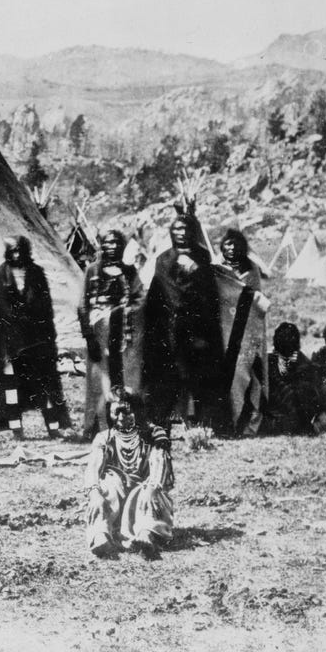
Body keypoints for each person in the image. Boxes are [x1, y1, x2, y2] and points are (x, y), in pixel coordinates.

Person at [0, 236, 72, 439]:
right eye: (13, 251)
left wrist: (47, 336)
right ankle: (16, 430)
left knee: (44, 384)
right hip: (10, 343)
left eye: (21, 251)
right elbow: (1, 310)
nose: (17, 255)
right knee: (11, 385)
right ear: (8, 252)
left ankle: (53, 429)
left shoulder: (36, 273)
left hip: (35, 341)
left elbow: (45, 307)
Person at [141, 209, 226, 432]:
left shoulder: (203, 256)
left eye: (185, 228)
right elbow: (158, 293)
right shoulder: (163, 258)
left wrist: (195, 271)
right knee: (169, 374)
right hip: (169, 327)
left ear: (192, 231)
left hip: (197, 327)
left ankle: (197, 421)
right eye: (176, 228)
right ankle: (163, 419)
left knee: (197, 375)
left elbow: (209, 293)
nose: (181, 232)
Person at [83, 392, 175, 559]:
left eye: (125, 411)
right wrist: (94, 493)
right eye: (115, 412)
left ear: (137, 411)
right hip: (116, 501)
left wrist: (152, 489)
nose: (120, 417)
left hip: (147, 494)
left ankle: (146, 534)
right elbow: (93, 467)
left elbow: (159, 463)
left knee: (146, 494)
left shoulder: (154, 434)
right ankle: (101, 536)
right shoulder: (104, 438)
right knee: (108, 484)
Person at [78, 229, 143, 439]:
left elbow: (139, 298)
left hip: (123, 334)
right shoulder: (92, 271)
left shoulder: (130, 271)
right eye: (107, 243)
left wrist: (123, 313)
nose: (112, 247)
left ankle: (124, 423)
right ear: (101, 246)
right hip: (99, 334)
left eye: (116, 243)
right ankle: (96, 427)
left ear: (122, 246)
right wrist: (89, 335)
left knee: (123, 378)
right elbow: (82, 305)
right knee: (99, 380)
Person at [263, 322, 319, 435]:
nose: (286, 338)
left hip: (298, 407)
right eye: (282, 335)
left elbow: (309, 390)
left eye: (290, 335)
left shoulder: (304, 362)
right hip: (276, 406)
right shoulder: (269, 360)